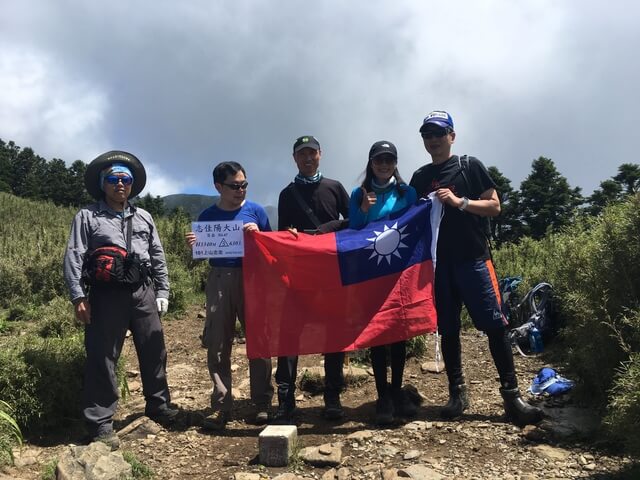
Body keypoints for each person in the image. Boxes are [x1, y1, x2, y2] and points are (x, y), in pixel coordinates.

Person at [409, 111, 542, 426]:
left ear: (452, 136)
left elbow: (494, 206)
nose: (433, 139)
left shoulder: (470, 166)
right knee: (449, 329)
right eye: (427, 134)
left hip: (474, 260)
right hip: (439, 267)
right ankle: (457, 393)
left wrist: (460, 202)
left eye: (439, 133)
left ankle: (512, 396)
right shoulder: (419, 177)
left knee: (495, 327)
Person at [63, 150, 177, 450]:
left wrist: (162, 291)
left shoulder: (144, 216)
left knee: (154, 349)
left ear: (132, 184)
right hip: (105, 295)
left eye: (125, 179)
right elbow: (74, 256)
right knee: (103, 356)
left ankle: (159, 405)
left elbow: (157, 255)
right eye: (113, 179)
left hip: (143, 293)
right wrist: (78, 297)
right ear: (103, 183)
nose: (120, 184)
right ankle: (100, 422)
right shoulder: (87, 216)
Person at [185, 161, 273, 430]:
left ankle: (262, 403)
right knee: (218, 342)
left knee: (258, 341)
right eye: (235, 186)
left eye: (244, 184)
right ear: (218, 187)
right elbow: (196, 258)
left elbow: (272, 249)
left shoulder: (256, 212)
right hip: (219, 278)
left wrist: (259, 236)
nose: (241, 189)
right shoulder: (208, 216)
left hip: (252, 278)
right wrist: (193, 247)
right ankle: (222, 404)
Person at [273, 135, 350, 424]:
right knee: (290, 334)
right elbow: (282, 234)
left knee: (334, 333)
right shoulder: (287, 193)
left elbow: (352, 220)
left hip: (331, 270)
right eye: (301, 154)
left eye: (312, 153)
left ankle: (333, 397)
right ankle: (286, 398)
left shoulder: (334, 187)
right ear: (294, 158)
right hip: (299, 273)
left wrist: (326, 230)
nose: (307, 158)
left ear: (321, 154)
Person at [348, 140, 418, 425]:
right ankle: (382, 395)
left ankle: (397, 389)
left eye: (389, 160)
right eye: (379, 160)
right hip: (371, 272)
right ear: (371, 162)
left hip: (400, 272)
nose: (384, 165)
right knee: (378, 334)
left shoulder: (408, 192)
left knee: (399, 332)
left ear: (395, 163)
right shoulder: (358, 193)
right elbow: (353, 230)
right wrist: (364, 209)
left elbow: (417, 227)